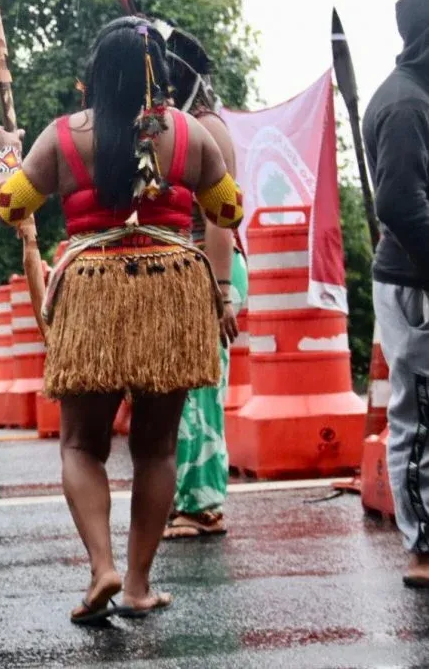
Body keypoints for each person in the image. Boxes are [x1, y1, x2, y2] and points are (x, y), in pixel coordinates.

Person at [0, 17, 242, 623]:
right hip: (170, 291)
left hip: (93, 292)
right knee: (156, 448)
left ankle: (101, 566)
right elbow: (229, 210)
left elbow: (11, 205)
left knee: (82, 443)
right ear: (160, 72)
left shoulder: (63, 136)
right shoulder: (190, 133)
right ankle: (136, 585)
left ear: (96, 74)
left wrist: (6, 154)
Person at [161, 29, 246, 540]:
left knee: (201, 389)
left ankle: (203, 505)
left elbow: (219, 220)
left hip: (212, 269)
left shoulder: (207, 128)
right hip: (184, 270)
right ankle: (182, 498)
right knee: (179, 387)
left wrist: (220, 292)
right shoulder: (179, 126)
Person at [364, 0, 429, 590]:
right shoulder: (407, 104)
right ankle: (424, 547)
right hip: (415, 281)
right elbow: (400, 205)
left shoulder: (418, 94)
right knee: (421, 417)